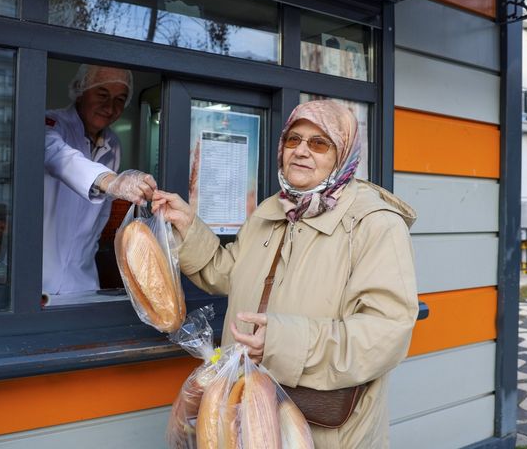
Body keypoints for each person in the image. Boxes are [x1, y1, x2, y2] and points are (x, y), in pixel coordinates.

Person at [153, 100, 418, 447]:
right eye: (294, 140)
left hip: (324, 431)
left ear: (343, 155)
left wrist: (281, 342)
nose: (302, 151)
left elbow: (387, 333)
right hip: (247, 415)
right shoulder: (272, 210)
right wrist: (188, 226)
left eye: (319, 143)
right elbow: (229, 273)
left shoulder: (375, 224)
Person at [44, 64, 156, 295]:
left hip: (82, 280)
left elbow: (100, 218)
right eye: (102, 94)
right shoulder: (51, 124)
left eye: (119, 99)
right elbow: (59, 157)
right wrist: (112, 182)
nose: (110, 106)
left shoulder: (113, 144)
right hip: (36, 277)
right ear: (80, 91)